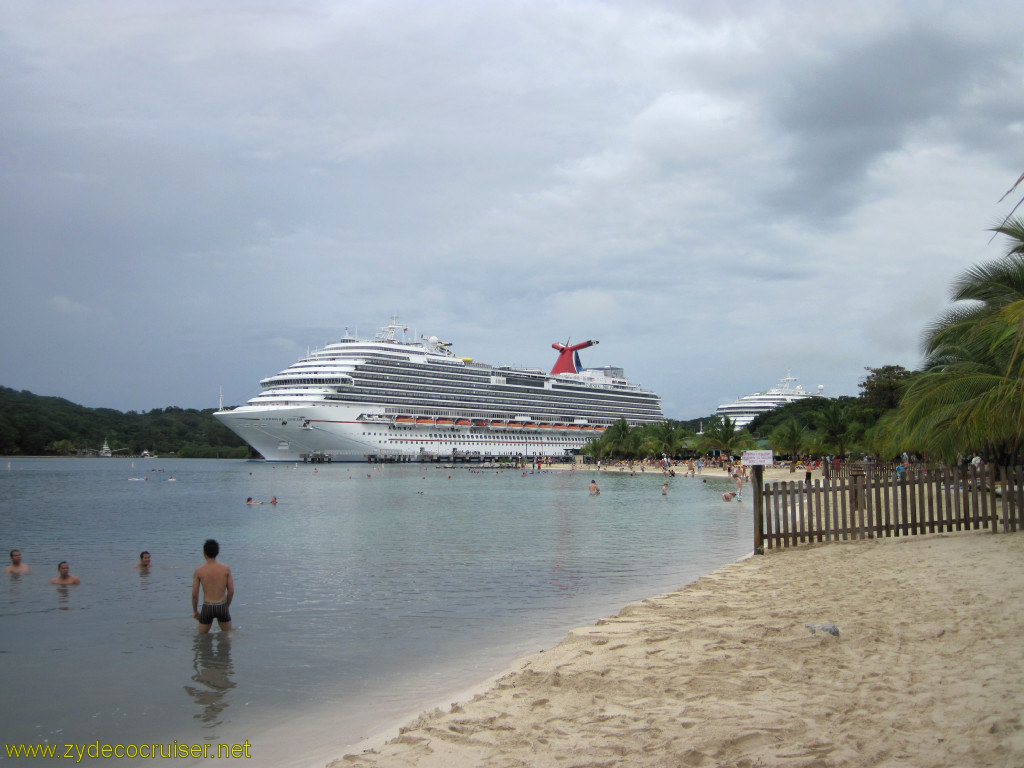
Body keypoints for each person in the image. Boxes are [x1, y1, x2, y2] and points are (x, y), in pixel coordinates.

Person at [192, 539, 233, 633]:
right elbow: (231, 591)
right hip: (222, 605)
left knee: (201, 640)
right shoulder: (226, 569)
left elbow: (194, 594)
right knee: (227, 638)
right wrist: (226, 607)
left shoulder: (199, 571)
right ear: (217, 552)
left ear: (204, 553)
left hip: (207, 607)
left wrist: (195, 611)